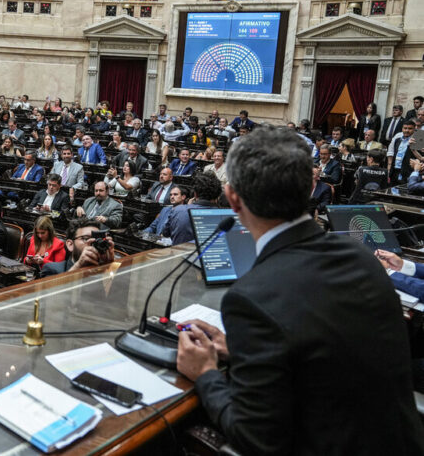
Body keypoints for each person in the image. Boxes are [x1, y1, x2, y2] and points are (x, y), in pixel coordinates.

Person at [175, 126, 424, 456]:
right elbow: (327, 354)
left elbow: (257, 439)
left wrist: (205, 373)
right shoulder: (363, 258)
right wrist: (247, 352)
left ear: (232, 198)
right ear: (310, 185)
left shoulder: (250, 297)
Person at [40, 218, 115, 276]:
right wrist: (78, 266)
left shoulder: (110, 268)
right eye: (86, 239)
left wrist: (109, 267)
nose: (93, 243)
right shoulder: (53, 269)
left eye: (97, 240)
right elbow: (54, 294)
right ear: (70, 244)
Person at [387, 119, 415, 184]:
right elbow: (392, 153)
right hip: (394, 171)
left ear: (414, 129)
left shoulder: (416, 141)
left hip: (408, 172)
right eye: (405, 128)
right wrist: (389, 168)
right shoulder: (397, 140)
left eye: (410, 128)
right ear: (402, 128)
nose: (407, 130)